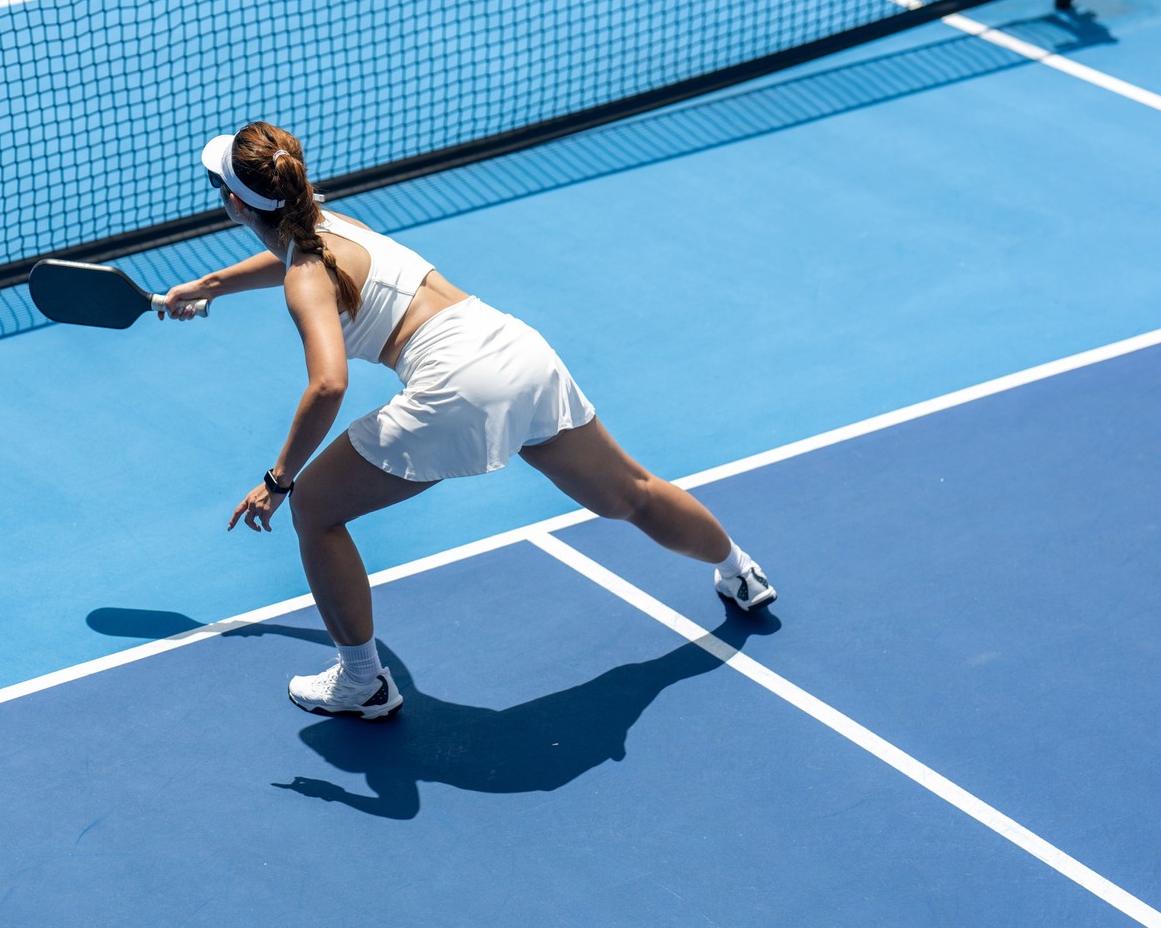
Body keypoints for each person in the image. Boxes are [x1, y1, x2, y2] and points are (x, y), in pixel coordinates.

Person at [164, 123, 776, 721]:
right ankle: (738, 570)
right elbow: (298, 259)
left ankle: (362, 681)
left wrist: (279, 479)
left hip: (458, 386)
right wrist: (209, 286)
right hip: (516, 349)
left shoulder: (304, 280)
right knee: (632, 494)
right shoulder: (331, 227)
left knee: (314, 509)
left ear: (232, 205)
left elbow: (328, 383)